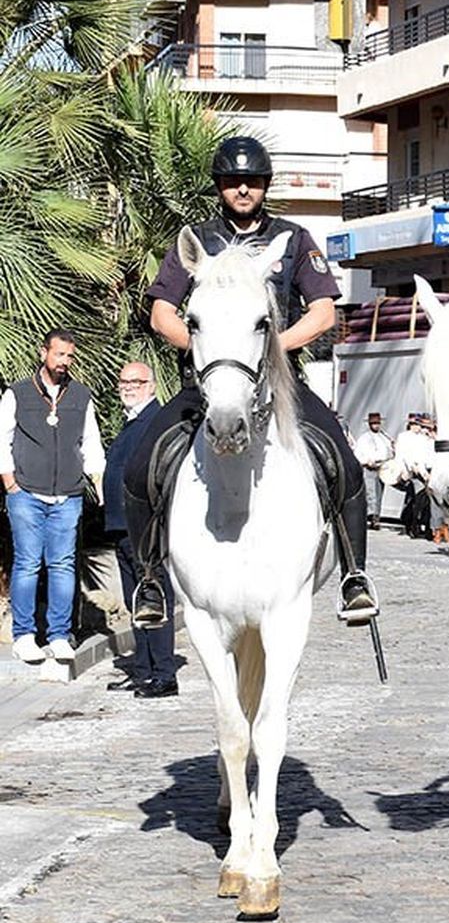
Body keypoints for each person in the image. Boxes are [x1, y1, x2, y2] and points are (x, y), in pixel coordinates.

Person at [121, 136, 379, 630]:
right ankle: (152, 578)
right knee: (139, 467)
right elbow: (160, 315)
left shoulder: (294, 238)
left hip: (278, 382)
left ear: (265, 186)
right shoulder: (195, 241)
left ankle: (354, 575)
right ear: (219, 186)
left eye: (253, 181)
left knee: (341, 460)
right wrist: (210, 351)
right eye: (234, 181)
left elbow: (323, 313)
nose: (243, 189)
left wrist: (266, 349)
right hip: (207, 384)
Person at [2, 329, 105, 664]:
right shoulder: (18, 393)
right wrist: (9, 482)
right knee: (28, 564)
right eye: (59, 354)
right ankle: (25, 635)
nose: (64, 362)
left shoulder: (81, 395)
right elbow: (2, 437)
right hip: (26, 493)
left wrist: (97, 479)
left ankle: (60, 635)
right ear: (43, 352)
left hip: (68, 495)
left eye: (70, 356)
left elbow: (91, 440)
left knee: (62, 565)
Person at [102, 362, 177, 696]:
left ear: (152, 385)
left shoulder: (155, 421)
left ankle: (164, 674)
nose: (128, 386)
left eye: (136, 381)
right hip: (122, 526)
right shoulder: (132, 422)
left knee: (154, 597)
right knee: (137, 602)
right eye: (124, 381)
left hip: (144, 527)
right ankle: (143, 669)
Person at [394, 413, 434, 539]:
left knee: (426, 500)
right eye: (415, 424)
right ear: (410, 425)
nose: (418, 427)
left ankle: (426, 525)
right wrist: (408, 468)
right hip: (411, 470)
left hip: (423, 469)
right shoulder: (404, 437)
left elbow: (427, 454)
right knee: (414, 500)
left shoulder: (424, 438)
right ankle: (412, 524)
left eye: (419, 425)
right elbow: (402, 455)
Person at [353, 412, 395, 529]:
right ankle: (370, 517)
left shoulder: (384, 437)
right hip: (369, 467)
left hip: (382, 467)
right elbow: (358, 454)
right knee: (371, 493)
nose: (376, 425)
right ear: (369, 424)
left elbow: (389, 452)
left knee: (379, 493)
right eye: (373, 423)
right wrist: (366, 461)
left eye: (377, 423)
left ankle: (377, 516)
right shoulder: (364, 438)